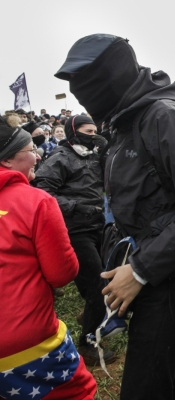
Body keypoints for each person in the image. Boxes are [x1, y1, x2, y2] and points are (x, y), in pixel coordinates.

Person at [55, 33, 175, 400]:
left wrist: (139, 270)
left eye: (85, 83)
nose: (79, 94)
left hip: (170, 273)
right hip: (148, 265)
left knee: (143, 387)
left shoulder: (162, 116)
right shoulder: (124, 122)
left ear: (112, 75)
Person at [0, 116, 97, 399]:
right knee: (79, 391)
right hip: (25, 344)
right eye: (30, 149)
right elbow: (61, 273)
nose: (38, 154)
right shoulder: (36, 201)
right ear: (6, 161)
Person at [32, 114, 114, 367]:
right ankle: (87, 345)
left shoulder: (92, 154)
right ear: (73, 131)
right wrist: (77, 206)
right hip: (74, 230)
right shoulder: (60, 157)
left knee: (99, 279)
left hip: (98, 226)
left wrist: (107, 147)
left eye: (95, 131)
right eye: (87, 132)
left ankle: (89, 315)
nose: (92, 136)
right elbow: (42, 193)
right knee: (98, 287)